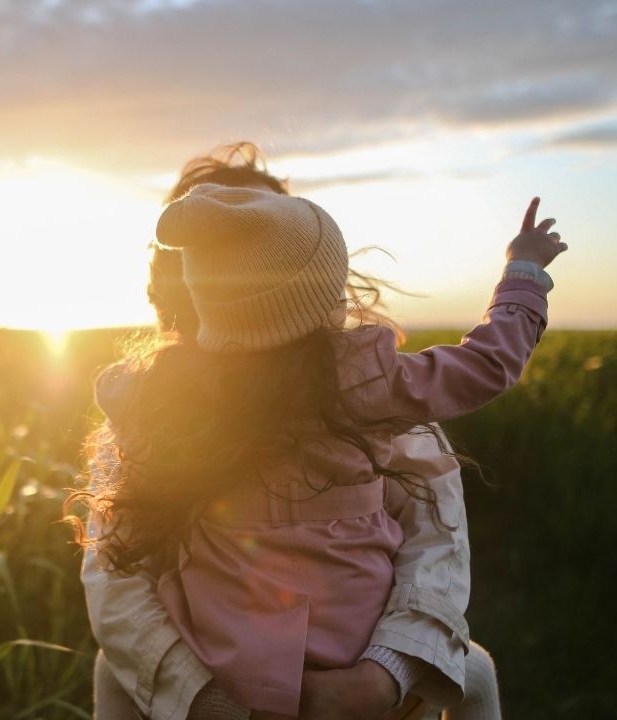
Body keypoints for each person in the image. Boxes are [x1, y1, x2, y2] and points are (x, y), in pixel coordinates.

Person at [72, 143, 559, 718]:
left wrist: (385, 674)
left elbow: (435, 538)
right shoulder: (367, 385)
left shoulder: (155, 395)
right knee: (472, 672)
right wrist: (522, 277)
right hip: (288, 666)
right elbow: (485, 365)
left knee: (113, 673)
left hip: (295, 667)